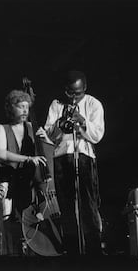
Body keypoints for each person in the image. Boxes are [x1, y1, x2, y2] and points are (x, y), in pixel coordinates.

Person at [38, 70, 105, 255]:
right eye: (70, 93)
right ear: (65, 90)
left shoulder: (93, 104)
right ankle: (72, 249)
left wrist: (82, 121)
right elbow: (49, 134)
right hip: (62, 156)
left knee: (87, 203)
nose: (74, 97)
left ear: (84, 89)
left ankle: (93, 248)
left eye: (78, 93)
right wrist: (60, 123)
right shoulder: (56, 104)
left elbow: (97, 135)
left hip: (84, 154)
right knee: (66, 204)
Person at [0, 89, 47, 256]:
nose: (25, 110)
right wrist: (27, 159)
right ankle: (10, 259)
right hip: (7, 180)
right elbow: (1, 154)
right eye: (21, 106)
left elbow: (47, 151)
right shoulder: (2, 129)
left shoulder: (32, 127)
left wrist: (46, 138)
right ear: (11, 108)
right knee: (9, 225)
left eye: (27, 107)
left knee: (30, 223)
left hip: (27, 182)